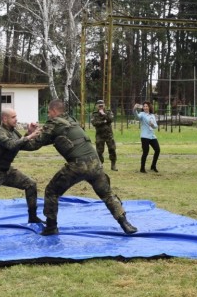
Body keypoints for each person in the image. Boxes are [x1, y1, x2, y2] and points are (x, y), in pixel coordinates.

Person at [32, 99, 137, 236]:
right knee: (107, 194)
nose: (48, 115)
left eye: (49, 112)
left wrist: (28, 136)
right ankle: (125, 223)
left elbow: (35, 144)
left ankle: (51, 227)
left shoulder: (54, 123)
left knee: (51, 191)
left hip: (77, 165)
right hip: (95, 163)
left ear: (53, 111)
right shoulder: (72, 120)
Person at [90, 99, 118, 171]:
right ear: (97, 106)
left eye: (102, 105)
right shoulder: (94, 114)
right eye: (99, 106)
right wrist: (104, 121)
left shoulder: (108, 112)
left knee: (112, 149)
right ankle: (100, 164)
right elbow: (94, 123)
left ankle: (113, 164)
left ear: (104, 105)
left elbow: (110, 119)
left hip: (109, 135)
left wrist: (104, 114)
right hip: (99, 135)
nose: (101, 107)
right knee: (99, 151)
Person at [134, 101, 160, 173]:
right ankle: (142, 168)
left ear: (149, 107)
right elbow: (137, 117)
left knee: (157, 150)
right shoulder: (142, 114)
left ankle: (153, 166)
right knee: (145, 152)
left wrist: (152, 125)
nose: (145, 107)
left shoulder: (152, 115)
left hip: (152, 136)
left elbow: (156, 126)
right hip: (145, 136)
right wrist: (135, 109)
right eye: (144, 106)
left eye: (146, 106)